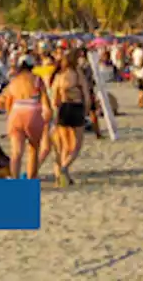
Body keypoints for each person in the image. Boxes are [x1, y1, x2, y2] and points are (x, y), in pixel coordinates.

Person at [2, 57, 52, 180]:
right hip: (33, 110)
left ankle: (14, 180)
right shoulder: (36, 79)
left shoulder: (14, 81)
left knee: (16, 152)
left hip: (16, 111)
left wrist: (9, 117)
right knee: (33, 149)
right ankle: (31, 178)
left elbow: (8, 101)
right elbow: (45, 101)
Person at [50, 49, 92, 187]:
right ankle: (64, 167)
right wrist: (87, 109)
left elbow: (54, 99)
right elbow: (86, 93)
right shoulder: (77, 73)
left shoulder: (58, 76)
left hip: (63, 108)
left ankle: (62, 177)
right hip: (76, 107)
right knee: (77, 144)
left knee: (64, 145)